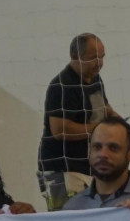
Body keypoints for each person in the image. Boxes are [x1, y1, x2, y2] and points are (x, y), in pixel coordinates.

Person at [40, 34, 111, 210]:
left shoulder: (95, 79)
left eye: (102, 57)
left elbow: (105, 108)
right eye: (93, 58)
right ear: (74, 56)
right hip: (62, 169)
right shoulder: (62, 85)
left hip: (86, 166)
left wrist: (120, 127)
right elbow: (59, 130)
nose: (99, 63)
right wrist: (100, 129)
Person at [63, 117, 130, 210]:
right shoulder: (72, 209)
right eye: (97, 147)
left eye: (113, 148)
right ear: (89, 150)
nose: (103, 154)